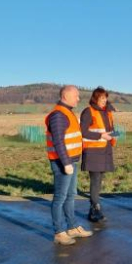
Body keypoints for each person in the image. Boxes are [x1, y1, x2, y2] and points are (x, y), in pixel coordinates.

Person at [45, 85, 94, 245]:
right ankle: (59, 232)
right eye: (76, 96)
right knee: (60, 197)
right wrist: (66, 163)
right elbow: (59, 142)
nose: (79, 98)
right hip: (62, 163)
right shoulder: (58, 115)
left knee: (70, 195)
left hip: (71, 161)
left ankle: (72, 227)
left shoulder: (68, 113)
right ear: (65, 96)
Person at [80, 87, 116, 222]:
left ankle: (94, 210)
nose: (104, 100)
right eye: (101, 98)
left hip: (105, 151)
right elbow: (82, 131)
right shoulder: (88, 112)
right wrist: (101, 135)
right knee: (95, 181)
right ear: (95, 99)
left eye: (105, 98)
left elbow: (108, 130)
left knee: (99, 181)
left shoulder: (107, 112)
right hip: (93, 151)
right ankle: (95, 209)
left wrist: (112, 135)